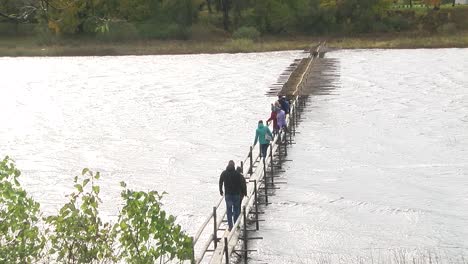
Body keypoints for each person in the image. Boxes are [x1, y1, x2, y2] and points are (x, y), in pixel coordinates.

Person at [219, 160, 243, 231]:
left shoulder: (224, 173)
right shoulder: (237, 174)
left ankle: (230, 226)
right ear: (234, 166)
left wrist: (221, 190)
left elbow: (220, 182)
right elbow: (241, 184)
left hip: (228, 195)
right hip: (236, 195)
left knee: (229, 211)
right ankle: (236, 224)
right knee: (236, 210)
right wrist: (241, 193)